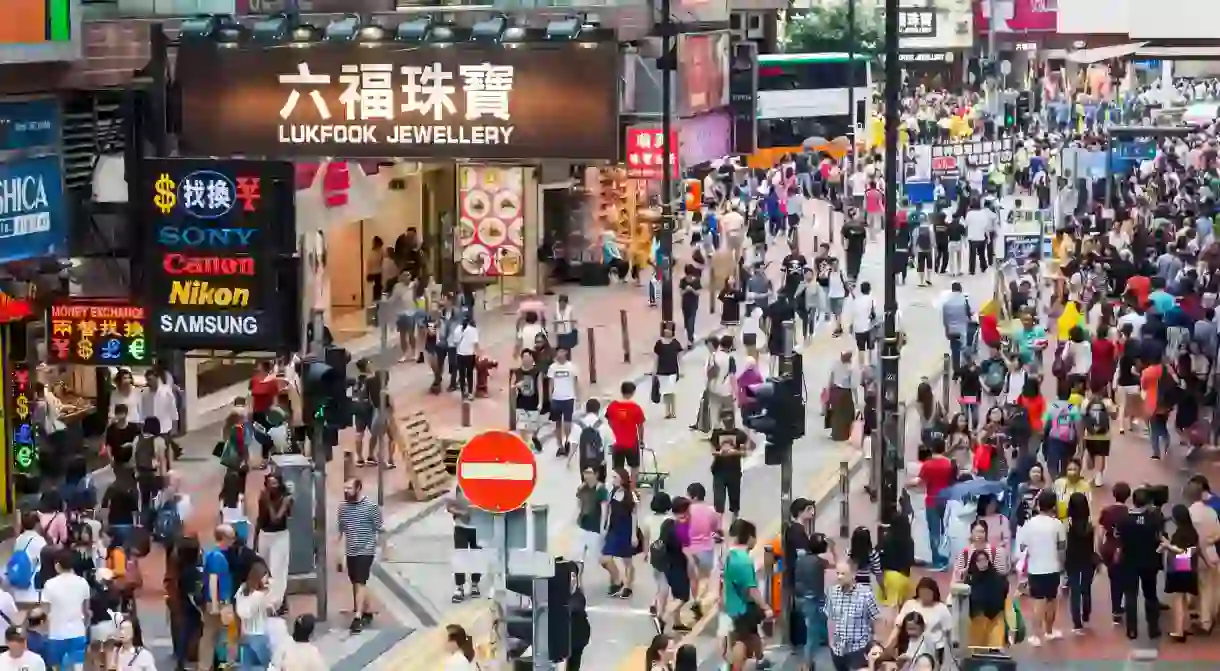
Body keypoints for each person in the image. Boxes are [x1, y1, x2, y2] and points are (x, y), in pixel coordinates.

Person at [1014, 490, 1066, 647]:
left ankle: (1035, 635)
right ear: (1054, 505)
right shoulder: (1057, 524)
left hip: (1035, 568)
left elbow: (1022, 546)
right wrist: (1061, 565)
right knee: (1051, 600)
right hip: (1053, 567)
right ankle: (1049, 631)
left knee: (1038, 602)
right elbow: (1062, 547)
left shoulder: (1029, 524)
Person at [1116, 486, 1164, 641]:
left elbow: (1118, 537)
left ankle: (1132, 630)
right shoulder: (1154, 519)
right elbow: (1160, 537)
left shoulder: (1123, 519)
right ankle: (1153, 628)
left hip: (1129, 561)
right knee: (1150, 595)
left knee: (1130, 595)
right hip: (1149, 562)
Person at [337, 479, 383, 633]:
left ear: (358, 488)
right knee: (356, 582)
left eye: (349, 488)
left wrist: (384, 547)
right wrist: (339, 554)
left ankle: (358, 616)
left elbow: (379, 527)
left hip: (366, 550)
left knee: (360, 581)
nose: (346, 491)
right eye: (345, 488)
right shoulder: (343, 508)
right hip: (351, 551)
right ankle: (366, 610)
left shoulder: (371, 507)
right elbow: (342, 531)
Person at [724, 520, 770, 671]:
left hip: (733, 605)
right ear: (750, 537)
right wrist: (765, 607)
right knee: (741, 641)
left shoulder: (731, 555)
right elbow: (751, 589)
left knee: (751, 633)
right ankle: (736, 668)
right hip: (743, 608)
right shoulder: (744, 560)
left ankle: (760, 658)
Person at [643, 493, 691, 634]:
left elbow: (647, 538)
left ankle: (676, 621)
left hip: (658, 558)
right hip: (673, 561)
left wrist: (646, 553)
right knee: (678, 595)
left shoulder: (657, 522)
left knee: (664, 588)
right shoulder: (674, 524)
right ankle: (661, 617)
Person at [908, 439, 955, 571]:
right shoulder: (948, 464)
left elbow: (919, 481)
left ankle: (936, 559)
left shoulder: (928, 465)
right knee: (942, 528)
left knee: (933, 530)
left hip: (932, 500)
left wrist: (906, 484)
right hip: (944, 499)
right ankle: (942, 556)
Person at [824, 561, 879, 671]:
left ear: (853, 574)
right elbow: (830, 618)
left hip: (858, 648)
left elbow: (875, 619)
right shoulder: (832, 592)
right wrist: (831, 641)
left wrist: (874, 643)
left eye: (843, 574)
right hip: (837, 649)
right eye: (837, 573)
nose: (839, 577)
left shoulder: (865, 594)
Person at [41, 549, 90, 671]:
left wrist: (45, 630)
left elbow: (45, 611)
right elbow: (86, 610)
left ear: (57, 565)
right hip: (78, 631)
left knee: (56, 667)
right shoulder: (83, 583)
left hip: (56, 633)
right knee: (78, 667)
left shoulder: (49, 585)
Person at [888, 578, 950, 666]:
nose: (925, 595)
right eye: (922, 592)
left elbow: (948, 633)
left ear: (934, 593)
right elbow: (897, 627)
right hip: (909, 646)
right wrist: (889, 646)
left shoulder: (942, 608)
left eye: (928, 593)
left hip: (934, 649)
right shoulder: (910, 604)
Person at [1162, 504, 1199, 642]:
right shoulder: (1192, 532)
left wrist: (1167, 545)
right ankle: (1184, 627)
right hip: (1189, 567)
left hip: (1179, 566)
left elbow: (1181, 551)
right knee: (1184, 599)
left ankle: (1178, 631)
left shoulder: (1180, 533)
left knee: (1178, 600)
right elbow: (1194, 550)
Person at [600, 469, 638, 599]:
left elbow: (634, 515)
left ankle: (628, 586)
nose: (613, 479)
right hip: (613, 529)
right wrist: (604, 527)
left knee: (627, 561)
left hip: (626, 530)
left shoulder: (630, 495)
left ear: (622, 479)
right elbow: (609, 512)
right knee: (605, 559)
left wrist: (634, 534)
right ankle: (617, 581)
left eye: (615, 477)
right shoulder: (613, 493)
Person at [1063, 492, 1097, 634]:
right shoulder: (1090, 525)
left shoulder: (1067, 525)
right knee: (1086, 587)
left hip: (1072, 560)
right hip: (1087, 559)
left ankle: (1077, 622)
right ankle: (1086, 612)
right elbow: (1091, 545)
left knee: (1074, 590)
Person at [709, 410, 749, 525]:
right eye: (725, 419)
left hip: (734, 471)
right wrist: (720, 453)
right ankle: (719, 527)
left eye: (729, 419)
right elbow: (712, 451)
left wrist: (733, 452)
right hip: (719, 470)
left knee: (734, 498)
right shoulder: (716, 434)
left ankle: (734, 522)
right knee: (719, 500)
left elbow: (744, 452)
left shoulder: (739, 434)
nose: (727, 421)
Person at [966, 548, 1008, 649]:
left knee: (994, 645)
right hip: (977, 618)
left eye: (985, 560)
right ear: (974, 562)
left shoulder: (997, 578)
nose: (982, 563)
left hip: (995, 617)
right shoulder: (970, 579)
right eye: (979, 561)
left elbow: (1003, 594)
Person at [606, 382, 645, 487]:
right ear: (633, 393)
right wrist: (641, 441)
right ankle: (632, 487)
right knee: (635, 467)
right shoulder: (636, 408)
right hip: (631, 442)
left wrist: (615, 430)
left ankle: (625, 478)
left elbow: (609, 421)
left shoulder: (612, 406)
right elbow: (640, 426)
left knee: (617, 466)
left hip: (617, 442)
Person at [547, 347, 581, 455]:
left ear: (566, 352)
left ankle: (567, 441)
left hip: (568, 398)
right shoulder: (552, 367)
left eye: (562, 351)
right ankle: (560, 446)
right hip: (556, 399)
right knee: (557, 425)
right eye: (558, 351)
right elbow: (550, 383)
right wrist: (550, 396)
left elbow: (576, 382)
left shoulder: (571, 367)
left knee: (567, 424)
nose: (560, 353)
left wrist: (578, 397)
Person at [653, 323, 683, 419]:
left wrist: (681, 369)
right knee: (665, 393)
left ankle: (673, 411)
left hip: (673, 371)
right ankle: (667, 411)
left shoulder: (675, 343)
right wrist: (654, 370)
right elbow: (656, 358)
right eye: (666, 329)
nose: (667, 331)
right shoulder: (659, 344)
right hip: (661, 371)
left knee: (672, 392)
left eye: (669, 329)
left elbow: (680, 357)